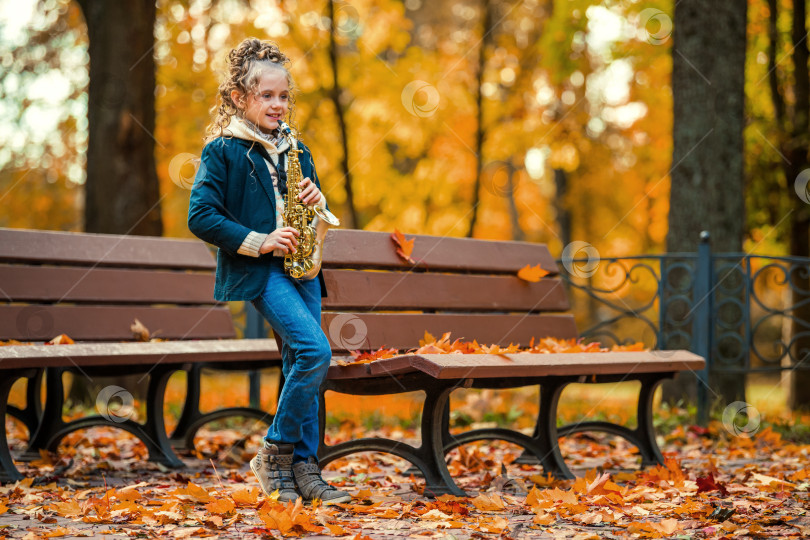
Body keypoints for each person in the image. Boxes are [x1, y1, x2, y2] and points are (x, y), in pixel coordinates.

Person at [187, 37, 350, 505]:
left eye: (283, 96)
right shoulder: (223, 150)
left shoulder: (298, 148)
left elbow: (314, 210)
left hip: (304, 270)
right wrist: (260, 241)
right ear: (240, 97)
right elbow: (201, 215)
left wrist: (320, 205)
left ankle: (304, 469)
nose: (278, 105)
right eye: (267, 96)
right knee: (315, 352)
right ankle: (275, 452)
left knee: (302, 365)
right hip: (264, 271)